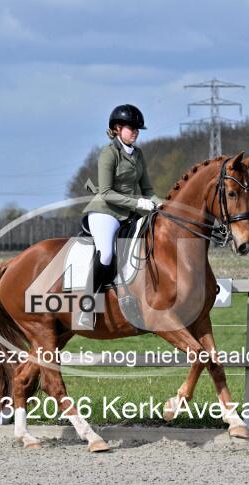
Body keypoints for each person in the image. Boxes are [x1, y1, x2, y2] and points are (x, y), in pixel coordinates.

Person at [78, 104, 163, 328]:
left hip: (129, 214)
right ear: (117, 128)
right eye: (131, 128)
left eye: (137, 129)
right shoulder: (109, 154)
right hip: (105, 212)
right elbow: (106, 192)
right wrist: (137, 203)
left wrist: (162, 204)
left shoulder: (138, 154)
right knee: (106, 254)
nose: (135, 132)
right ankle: (86, 306)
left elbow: (148, 190)